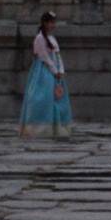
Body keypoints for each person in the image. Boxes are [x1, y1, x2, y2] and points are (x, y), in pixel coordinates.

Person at [21, 10, 72, 138]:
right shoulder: (39, 38)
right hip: (44, 71)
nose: (52, 25)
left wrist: (61, 70)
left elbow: (57, 55)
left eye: (53, 22)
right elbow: (44, 57)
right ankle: (39, 129)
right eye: (50, 22)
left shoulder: (52, 38)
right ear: (44, 23)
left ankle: (56, 127)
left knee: (57, 98)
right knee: (42, 98)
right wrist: (55, 71)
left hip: (55, 71)